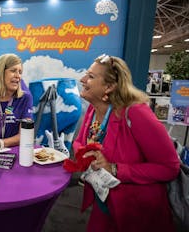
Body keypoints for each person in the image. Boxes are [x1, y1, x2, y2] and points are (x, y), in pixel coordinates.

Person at [74, 54, 180, 232]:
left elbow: (170, 167)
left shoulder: (136, 113)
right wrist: (85, 154)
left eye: (91, 77)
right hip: (103, 206)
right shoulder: (93, 109)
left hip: (138, 214)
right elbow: (78, 142)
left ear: (109, 87)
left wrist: (114, 169)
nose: (82, 79)